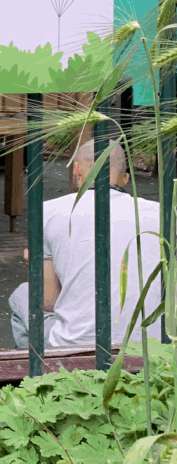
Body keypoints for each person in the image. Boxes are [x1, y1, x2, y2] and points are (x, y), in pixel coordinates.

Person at [9, 141, 162, 349]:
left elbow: (48, 301)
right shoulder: (162, 213)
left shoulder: (49, 211)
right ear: (126, 179)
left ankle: (38, 371)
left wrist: (35, 263)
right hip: (152, 347)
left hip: (75, 347)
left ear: (77, 171)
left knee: (22, 294)